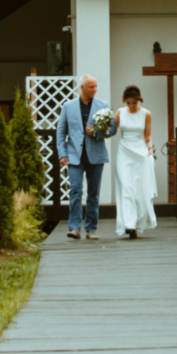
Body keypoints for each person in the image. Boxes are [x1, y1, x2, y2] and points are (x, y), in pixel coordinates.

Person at [56, 74, 111, 241]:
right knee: (75, 191)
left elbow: (111, 130)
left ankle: (91, 229)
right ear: (82, 88)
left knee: (93, 194)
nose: (95, 89)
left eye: (95, 86)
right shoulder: (68, 106)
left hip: (96, 156)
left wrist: (95, 132)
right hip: (74, 156)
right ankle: (74, 228)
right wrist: (62, 154)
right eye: (91, 87)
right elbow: (61, 132)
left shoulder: (103, 106)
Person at [112, 85, 158, 239]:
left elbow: (147, 136)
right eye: (128, 103)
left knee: (138, 189)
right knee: (126, 185)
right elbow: (111, 130)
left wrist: (150, 150)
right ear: (125, 101)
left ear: (139, 100)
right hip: (124, 151)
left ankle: (137, 224)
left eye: (134, 103)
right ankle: (128, 224)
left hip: (139, 152)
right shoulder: (120, 112)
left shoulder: (146, 114)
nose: (131, 106)